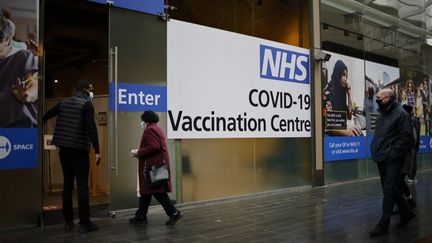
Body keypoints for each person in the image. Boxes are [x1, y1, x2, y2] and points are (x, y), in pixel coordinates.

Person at [43, 80, 101, 233]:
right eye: (90, 89)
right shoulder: (86, 104)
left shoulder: (64, 102)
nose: (91, 92)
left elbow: (47, 115)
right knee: (82, 185)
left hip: (64, 149)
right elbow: (91, 128)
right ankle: (84, 222)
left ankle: (68, 221)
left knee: (67, 184)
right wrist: (97, 150)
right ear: (83, 90)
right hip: (79, 149)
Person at [369, 88, 416, 237]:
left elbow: (407, 137)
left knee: (388, 188)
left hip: (392, 159)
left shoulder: (401, 114)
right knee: (389, 188)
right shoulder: (384, 112)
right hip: (381, 157)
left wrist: (392, 154)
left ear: (388, 98)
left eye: (379, 98)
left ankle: (384, 223)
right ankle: (405, 212)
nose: (377, 101)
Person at [130, 110, 183, 226]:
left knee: (157, 191)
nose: (142, 122)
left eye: (143, 120)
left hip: (153, 167)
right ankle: (141, 215)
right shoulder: (156, 128)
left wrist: (139, 152)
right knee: (147, 191)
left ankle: (174, 213)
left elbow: (154, 146)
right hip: (155, 165)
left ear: (146, 119)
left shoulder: (150, 129)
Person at [0, 10, 38, 127]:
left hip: (20, 127)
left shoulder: (23, 56)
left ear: (7, 40)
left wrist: (27, 96)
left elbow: (34, 84)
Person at [322, 60, 361, 136]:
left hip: (340, 134)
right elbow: (329, 125)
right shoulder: (328, 93)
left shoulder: (340, 92)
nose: (345, 78)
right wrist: (347, 132)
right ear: (337, 74)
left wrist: (349, 94)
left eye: (346, 76)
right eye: (343, 75)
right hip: (329, 138)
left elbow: (349, 115)